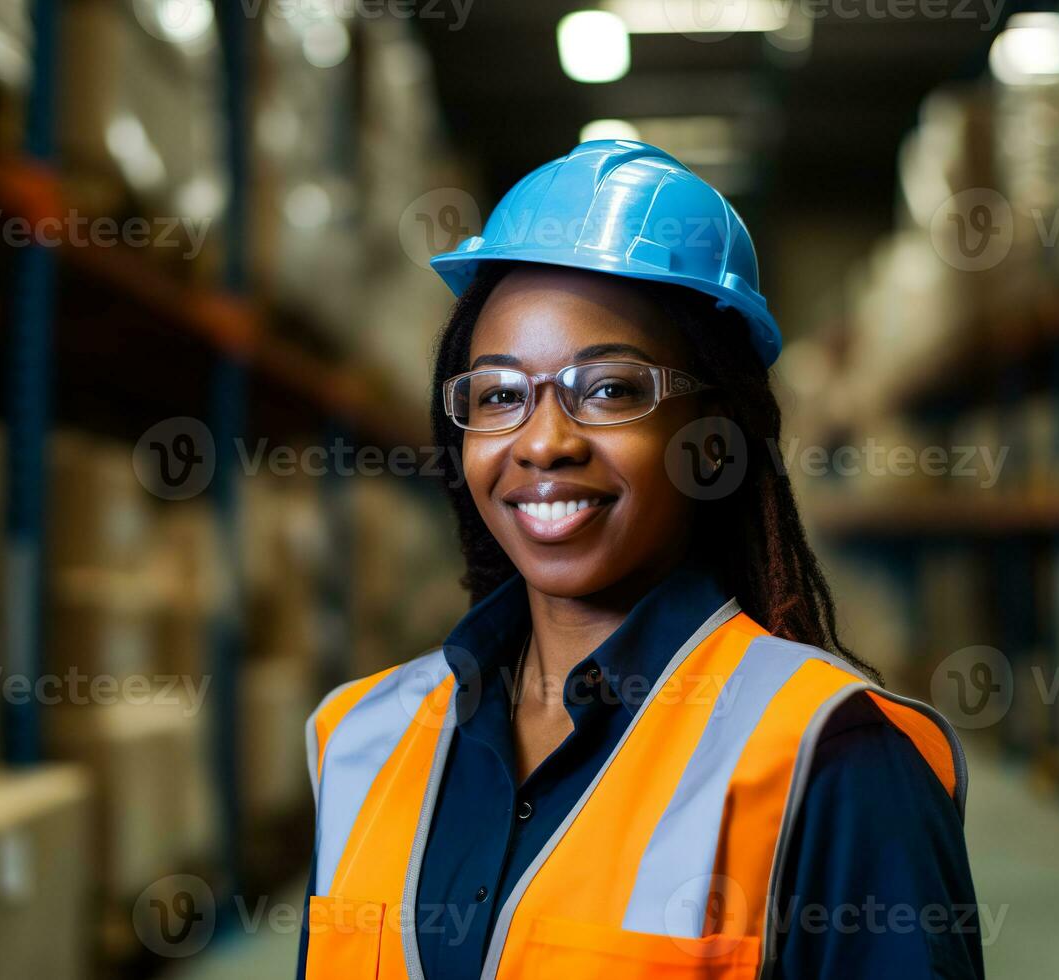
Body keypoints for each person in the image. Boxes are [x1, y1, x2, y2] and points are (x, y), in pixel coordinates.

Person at [296, 140, 982, 979]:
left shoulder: (832, 757)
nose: (543, 442)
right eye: (500, 395)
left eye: (611, 390)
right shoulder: (361, 738)